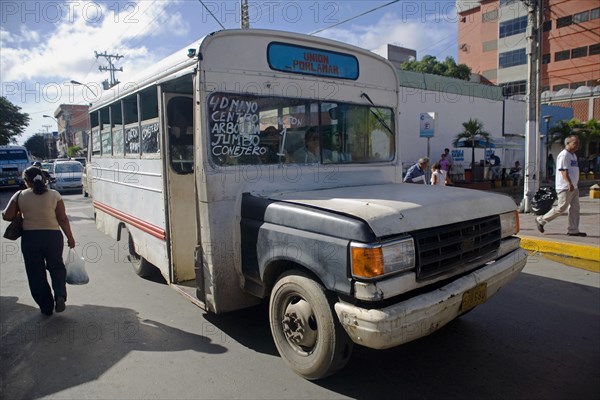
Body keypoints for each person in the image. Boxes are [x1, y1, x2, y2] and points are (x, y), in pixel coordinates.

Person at [2, 166, 76, 315]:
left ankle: (46, 306)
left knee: (35, 272)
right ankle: (60, 295)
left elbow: (7, 215)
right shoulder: (54, 194)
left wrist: (18, 211)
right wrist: (70, 237)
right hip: (53, 237)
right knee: (57, 267)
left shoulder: (19, 195)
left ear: (26, 181)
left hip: (31, 239)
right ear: (42, 178)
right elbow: (62, 218)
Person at [536, 135, 586, 237]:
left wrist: (574, 184)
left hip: (574, 187)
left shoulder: (573, 155)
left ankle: (573, 229)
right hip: (565, 187)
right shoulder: (564, 155)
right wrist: (569, 183)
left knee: (575, 208)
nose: (577, 145)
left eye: (578, 143)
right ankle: (541, 220)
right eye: (575, 143)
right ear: (568, 143)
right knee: (561, 207)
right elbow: (564, 171)